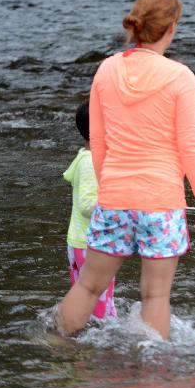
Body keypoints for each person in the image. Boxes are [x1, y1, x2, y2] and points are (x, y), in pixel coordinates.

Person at [55, 0, 195, 340]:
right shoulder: (180, 77)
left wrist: (107, 183)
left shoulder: (107, 69)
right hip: (161, 201)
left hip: (113, 196)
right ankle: (153, 378)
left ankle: (55, 351)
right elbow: (190, 143)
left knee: (88, 287)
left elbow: (98, 141)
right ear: (171, 27)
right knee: (155, 295)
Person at [63, 100, 116, 319]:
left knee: (85, 297)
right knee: (98, 302)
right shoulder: (88, 163)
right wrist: (116, 201)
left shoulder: (90, 158)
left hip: (84, 242)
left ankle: (77, 331)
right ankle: (104, 337)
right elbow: (86, 206)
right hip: (89, 244)